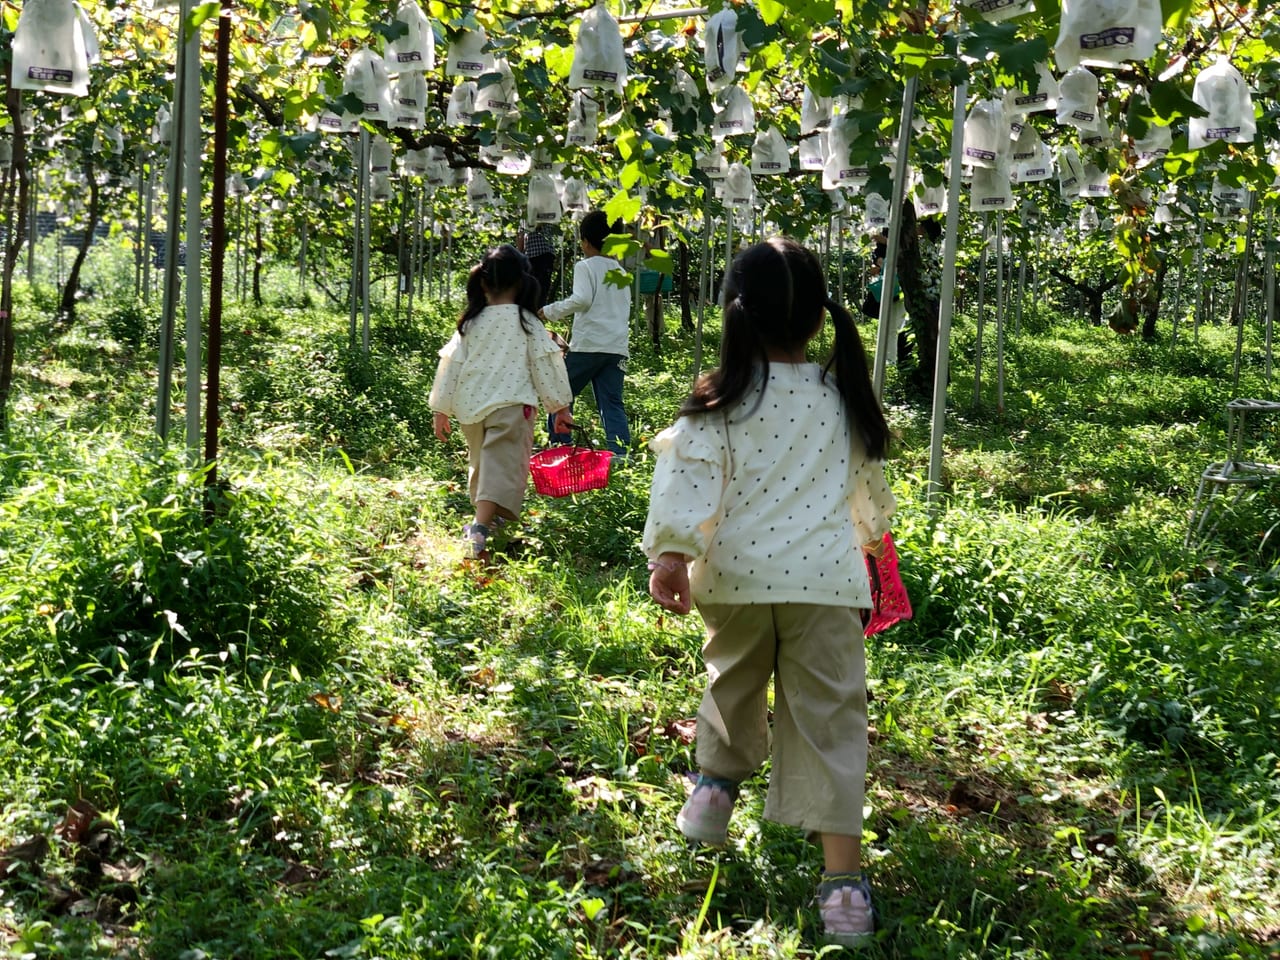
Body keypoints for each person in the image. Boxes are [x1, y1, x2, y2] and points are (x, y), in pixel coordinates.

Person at [642, 237, 896, 946]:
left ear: (735, 315)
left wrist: (670, 555)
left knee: (733, 680)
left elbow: (689, 483)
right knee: (831, 719)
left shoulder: (718, 401)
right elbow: (867, 492)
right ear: (820, 320)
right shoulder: (839, 395)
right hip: (824, 581)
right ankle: (842, 886)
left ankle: (713, 793)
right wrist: (873, 542)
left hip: (737, 577)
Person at [430, 244, 575, 559]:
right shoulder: (527, 323)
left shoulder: (471, 322)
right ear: (523, 283)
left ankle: (490, 523)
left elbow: (450, 364)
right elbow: (546, 363)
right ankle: (479, 530)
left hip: (471, 408)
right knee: (501, 468)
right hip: (511, 405)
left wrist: (441, 408)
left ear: (483, 283)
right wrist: (560, 406)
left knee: (483, 465)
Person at [538, 210, 632, 455]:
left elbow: (581, 299)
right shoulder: (621, 272)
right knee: (612, 402)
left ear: (586, 242)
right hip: (615, 348)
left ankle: (560, 446)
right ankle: (621, 454)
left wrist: (549, 311)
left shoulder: (586, 266)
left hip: (588, 347)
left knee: (561, 396)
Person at [517, 222, 557, 309]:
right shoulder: (524, 215)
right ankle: (533, 312)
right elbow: (521, 235)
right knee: (532, 289)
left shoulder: (548, 210)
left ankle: (538, 313)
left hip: (543, 255)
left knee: (540, 289)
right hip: (532, 256)